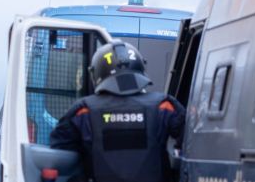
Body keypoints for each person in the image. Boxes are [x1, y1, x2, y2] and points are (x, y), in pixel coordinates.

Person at [50, 41, 185, 182]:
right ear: (140, 66)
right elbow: (190, 144)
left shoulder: (83, 111)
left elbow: (60, 152)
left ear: (95, 73)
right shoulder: (164, 106)